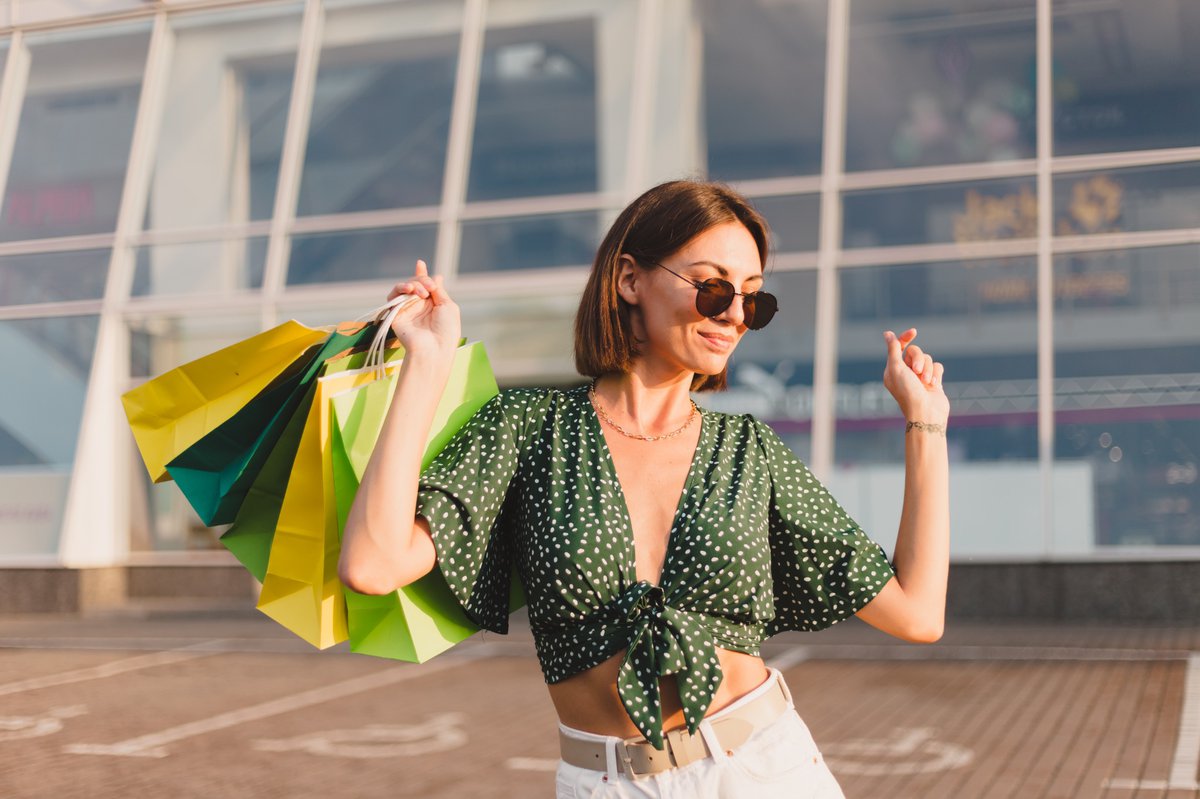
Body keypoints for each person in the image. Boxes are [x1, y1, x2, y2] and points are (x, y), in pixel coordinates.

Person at [338, 180, 950, 798]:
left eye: (754, 301)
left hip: (765, 769)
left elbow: (916, 614)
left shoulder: (748, 451)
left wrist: (925, 424)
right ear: (630, 279)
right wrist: (428, 362)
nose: (735, 315)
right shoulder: (529, 428)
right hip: (607, 783)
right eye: (713, 288)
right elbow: (373, 563)